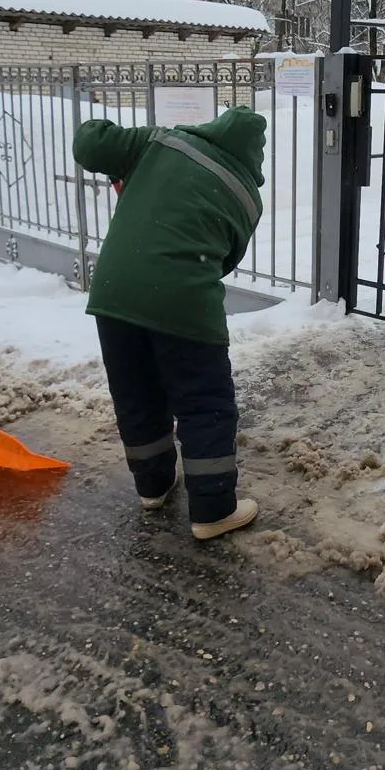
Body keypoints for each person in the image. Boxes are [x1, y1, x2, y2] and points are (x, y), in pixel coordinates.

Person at [72, 106, 266, 540]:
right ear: (256, 156)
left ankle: (153, 486)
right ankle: (214, 509)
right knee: (204, 403)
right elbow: (225, 258)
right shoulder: (247, 195)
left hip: (115, 292)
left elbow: (88, 141)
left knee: (135, 390)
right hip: (184, 300)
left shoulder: (159, 143)